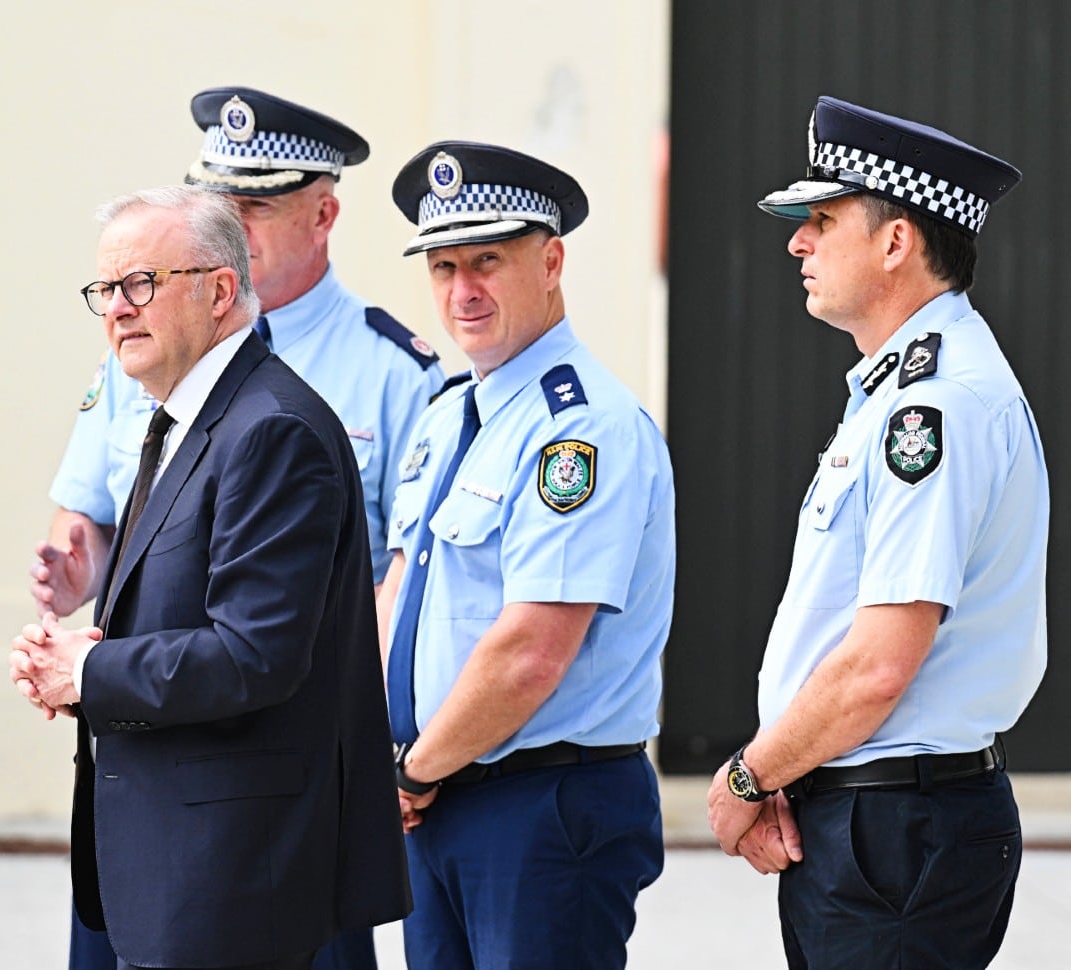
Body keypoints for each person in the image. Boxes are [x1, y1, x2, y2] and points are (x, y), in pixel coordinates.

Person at [34, 85, 439, 970]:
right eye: (104, 288)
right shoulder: (175, 412)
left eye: (141, 284)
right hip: (164, 855)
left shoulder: (272, 428)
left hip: (237, 875)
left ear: (220, 293)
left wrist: (91, 668)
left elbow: (254, 654)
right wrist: (82, 649)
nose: (116, 307)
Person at [705, 95, 1043, 968]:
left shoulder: (932, 406)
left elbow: (877, 665)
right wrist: (788, 767)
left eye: (821, 218)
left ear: (897, 243)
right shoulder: (898, 391)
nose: (797, 243)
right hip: (872, 818)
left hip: (896, 830)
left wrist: (749, 775)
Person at [379, 141, 673, 969]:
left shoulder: (579, 430)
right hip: (437, 798)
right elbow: (398, 594)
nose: (462, 291)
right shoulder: (448, 418)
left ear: (550, 262)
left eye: (487, 262)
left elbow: (532, 650)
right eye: (443, 268)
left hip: (540, 805)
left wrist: (410, 770)